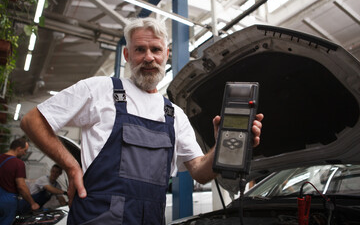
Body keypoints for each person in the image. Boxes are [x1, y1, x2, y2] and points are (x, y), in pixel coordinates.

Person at [20, 17, 264, 224]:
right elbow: (33, 121)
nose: (149, 58)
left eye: (156, 50)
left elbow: (200, 171)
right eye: (140, 49)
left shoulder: (175, 114)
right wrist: (73, 167)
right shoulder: (100, 89)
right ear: (127, 54)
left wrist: (222, 145)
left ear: (166, 55)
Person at [0, 138, 40, 225]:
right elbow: (21, 186)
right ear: (19, 149)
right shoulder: (18, 163)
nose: (25, 153)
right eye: (25, 151)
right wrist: (32, 203)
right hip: (7, 201)